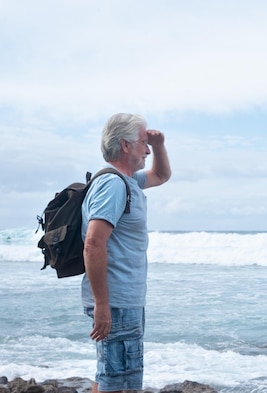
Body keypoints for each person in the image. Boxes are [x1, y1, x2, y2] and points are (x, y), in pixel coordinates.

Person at [81, 113, 171, 393]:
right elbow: (94, 243)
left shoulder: (129, 181)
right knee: (119, 384)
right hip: (116, 301)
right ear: (125, 146)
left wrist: (159, 144)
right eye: (143, 143)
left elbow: (161, 175)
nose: (146, 150)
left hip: (122, 300)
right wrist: (102, 304)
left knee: (109, 375)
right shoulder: (113, 185)